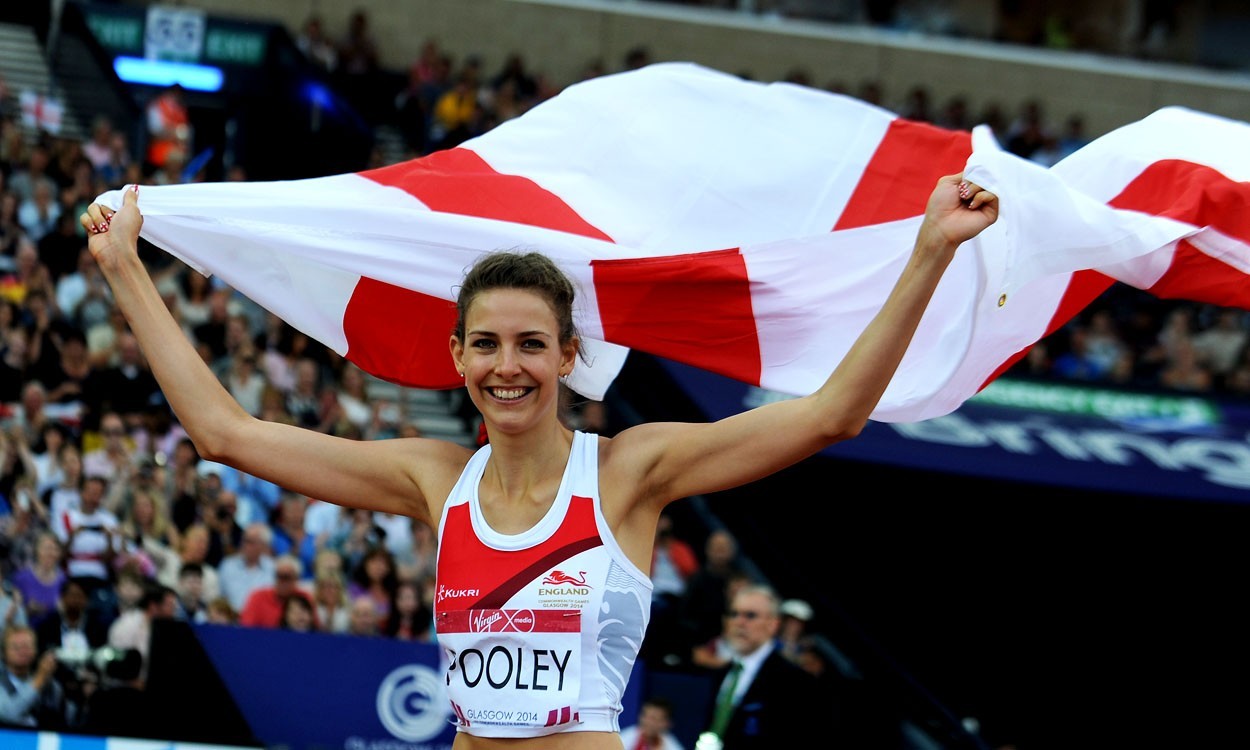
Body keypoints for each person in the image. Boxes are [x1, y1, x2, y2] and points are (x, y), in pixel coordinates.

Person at [79, 174, 998, 745]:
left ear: (568, 356)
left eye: (529, 345)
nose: (506, 366)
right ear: (458, 357)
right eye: (484, 345)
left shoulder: (631, 472)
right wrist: (124, 268)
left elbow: (833, 415)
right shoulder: (435, 480)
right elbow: (227, 435)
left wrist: (927, 254)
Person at [696, 583, 825, 749]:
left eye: (750, 615)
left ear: (773, 624)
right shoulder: (719, 672)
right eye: (733, 614)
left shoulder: (796, 681)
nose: (739, 622)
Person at [0, 624, 76, 729]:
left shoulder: (49, 683)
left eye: (27, 646)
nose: (22, 651)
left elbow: (68, 718)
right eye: (16, 647)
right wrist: (39, 679)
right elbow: (8, 715)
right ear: (3, 653)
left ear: (36, 650)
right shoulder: (41, 677)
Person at [619, 694, 684, 750]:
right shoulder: (626, 737)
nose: (646, 722)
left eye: (653, 718)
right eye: (645, 716)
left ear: (667, 723)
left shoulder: (672, 746)